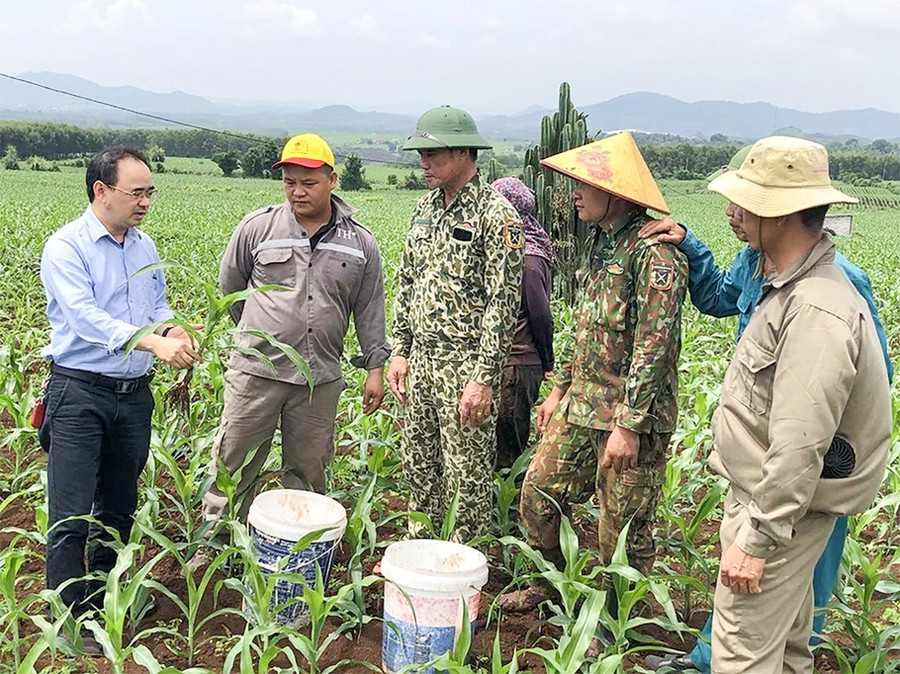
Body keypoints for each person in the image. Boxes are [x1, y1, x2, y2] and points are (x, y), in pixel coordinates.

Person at [641, 147, 893, 672]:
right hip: (774, 495)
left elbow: (805, 438)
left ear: (776, 213)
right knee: (788, 647)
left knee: (744, 649)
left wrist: (757, 540)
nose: (732, 210)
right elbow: (724, 300)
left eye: (743, 200)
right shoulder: (774, 273)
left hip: (782, 504)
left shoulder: (819, 307)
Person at [502, 132, 688, 609]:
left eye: (585, 185)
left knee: (621, 528)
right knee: (539, 495)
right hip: (581, 403)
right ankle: (548, 587)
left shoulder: (656, 257)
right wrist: (557, 388)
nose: (574, 194)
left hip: (629, 419)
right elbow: (584, 327)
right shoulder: (600, 247)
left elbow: (654, 349)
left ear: (618, 193)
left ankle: (615, 620)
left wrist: (628, 427)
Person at [40, 147, 199, 652]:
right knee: (71, 511)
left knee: (118, 505)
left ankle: (106, 601)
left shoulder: (144, 246)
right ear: (101, 192)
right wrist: (152, 341)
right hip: (79, 394)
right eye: (137, 192)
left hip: (132, 397)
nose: (146, 202)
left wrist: (174, 327)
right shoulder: (66, 248)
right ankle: (68, 619)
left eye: (151, 191)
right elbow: (87, 319)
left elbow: (157, 307)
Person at [200, 133, 389, 525]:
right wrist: (257, 336)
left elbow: (369, 308)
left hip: (318, 380)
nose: (297, 192)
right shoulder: (258, 227)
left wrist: (375, 369)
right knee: (233, 464)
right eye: (289, 182)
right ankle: (214, 548)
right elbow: (231, 288)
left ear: (332, 181)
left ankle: (298, 549)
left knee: (307, 473)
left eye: (308, 183)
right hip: (256, 374)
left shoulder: (360, 243)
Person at [386, 106, 524, 542]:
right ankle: (420, 557)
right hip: (421, 361)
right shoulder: (425, 209)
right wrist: (401, 349)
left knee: (467, 479)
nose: (423, 163)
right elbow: (407, 280)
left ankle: (464, 574)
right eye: (420, 154)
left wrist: (483, 380)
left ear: (464, 153)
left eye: (434, 154)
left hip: (464, 366)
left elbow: (502, 305)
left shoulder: (496, 215)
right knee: (418, 466)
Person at [491, 177, 554, 471]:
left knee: (508, 444)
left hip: (517, 362)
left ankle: (509, 510)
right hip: (506, 362)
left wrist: (547, 359)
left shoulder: (527, 258)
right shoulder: (511, 249)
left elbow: (540, 315)